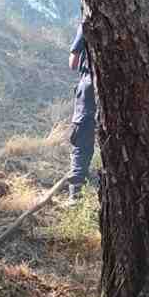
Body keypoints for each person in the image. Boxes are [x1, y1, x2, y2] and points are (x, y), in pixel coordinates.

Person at [66, 21, 96, 205]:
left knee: (82, 142)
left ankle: (75, 196)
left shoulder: (87, 23)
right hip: (119, 92)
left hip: (89, 88)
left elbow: (73, 63)